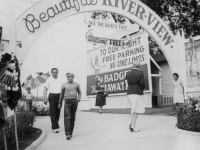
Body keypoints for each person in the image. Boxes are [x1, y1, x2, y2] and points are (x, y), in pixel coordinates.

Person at [58, 73, 82, 140]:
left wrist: (79, 98)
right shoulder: (64, 85)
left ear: (73, 77)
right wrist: (59, 103)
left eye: (70, 76)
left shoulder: (76, 84)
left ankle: (70, 133)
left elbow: (79, 92)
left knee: (72, 118)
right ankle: (67, 134)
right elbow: (61, 95)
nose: (69, 78)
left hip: (74, 101)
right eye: (68, 77)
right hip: (67, 101)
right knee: (67, 117)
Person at [125, 60, 145, 132]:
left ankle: (132, 124)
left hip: (129, 92)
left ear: (133, 65)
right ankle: (133, 126)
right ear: (138, 66)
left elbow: (127, 83)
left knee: (133, 109)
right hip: (137, 92)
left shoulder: (128, 73)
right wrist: (142, 88)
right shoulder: (140, 73)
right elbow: (142, 83)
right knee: (135, 110)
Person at [43, 68, 63, 133]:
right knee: (53, 112)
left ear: (58, 73)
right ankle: (55, 127)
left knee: (58, 112)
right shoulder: (48, 80)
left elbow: (63, 90)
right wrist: (44, 97)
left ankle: (54, 125)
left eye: (56, 72)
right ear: (51, 73)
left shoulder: (60, 80)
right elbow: (45, 89)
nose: (55, 73)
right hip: (52, 96)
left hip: (59, 96)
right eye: (53, 72)